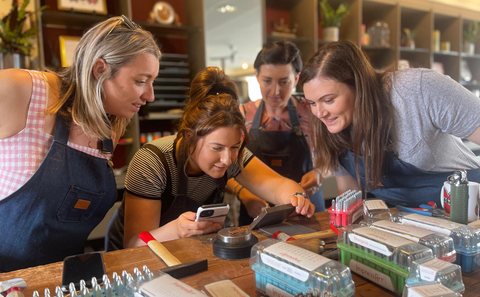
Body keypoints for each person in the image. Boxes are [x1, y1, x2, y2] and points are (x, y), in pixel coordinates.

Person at [0, 15, 161, 271]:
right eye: (140, 81)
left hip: (63, 279)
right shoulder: (22, 90)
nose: (150, 95)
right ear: (100, 70)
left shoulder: (109, 124)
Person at [106, 67, 315, 250]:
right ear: (190, 137)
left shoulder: (233, 156)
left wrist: (296, 198)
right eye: (217, 148)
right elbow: (134, 244)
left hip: (185, 250)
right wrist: (177, 230)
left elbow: (277, 185)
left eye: (235, 147)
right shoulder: (153, 162)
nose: (227, 159)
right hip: (132, 262)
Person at [299, 40, 480, 207]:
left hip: (468, 209)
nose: (319, 113)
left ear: (358, 86)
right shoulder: (333, 127)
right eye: (312, 103)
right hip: (403, 224)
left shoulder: (417, 89)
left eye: (329, 100)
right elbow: (349, 195)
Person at [229, 41, 325, 226]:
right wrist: (245, 195)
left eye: (284, 82)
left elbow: (333, 155)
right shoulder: (240, 116)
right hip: (257, 209)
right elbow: (224, 166)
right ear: (256, 75)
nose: (275, 91)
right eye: (267, 81)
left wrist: (320, 172)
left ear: (296, 79)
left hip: (306, 208)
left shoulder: (313, 112)